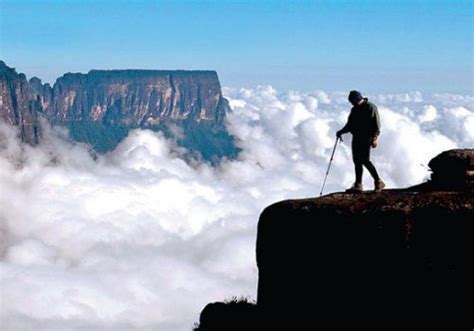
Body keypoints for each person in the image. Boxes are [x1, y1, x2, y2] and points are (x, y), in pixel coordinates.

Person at [337, 90, 385, 193]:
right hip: (357, 137)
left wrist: (374, 138)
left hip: (367, 137)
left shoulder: (371, 107)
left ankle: (378, 181)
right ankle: (358, 185)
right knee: (357, 161)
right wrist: (341, 132)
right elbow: (350, 125)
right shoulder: (354, 109)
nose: (353, 103)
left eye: (354, 101)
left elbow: (376, 125)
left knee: (364, 159)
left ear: (358, 99)